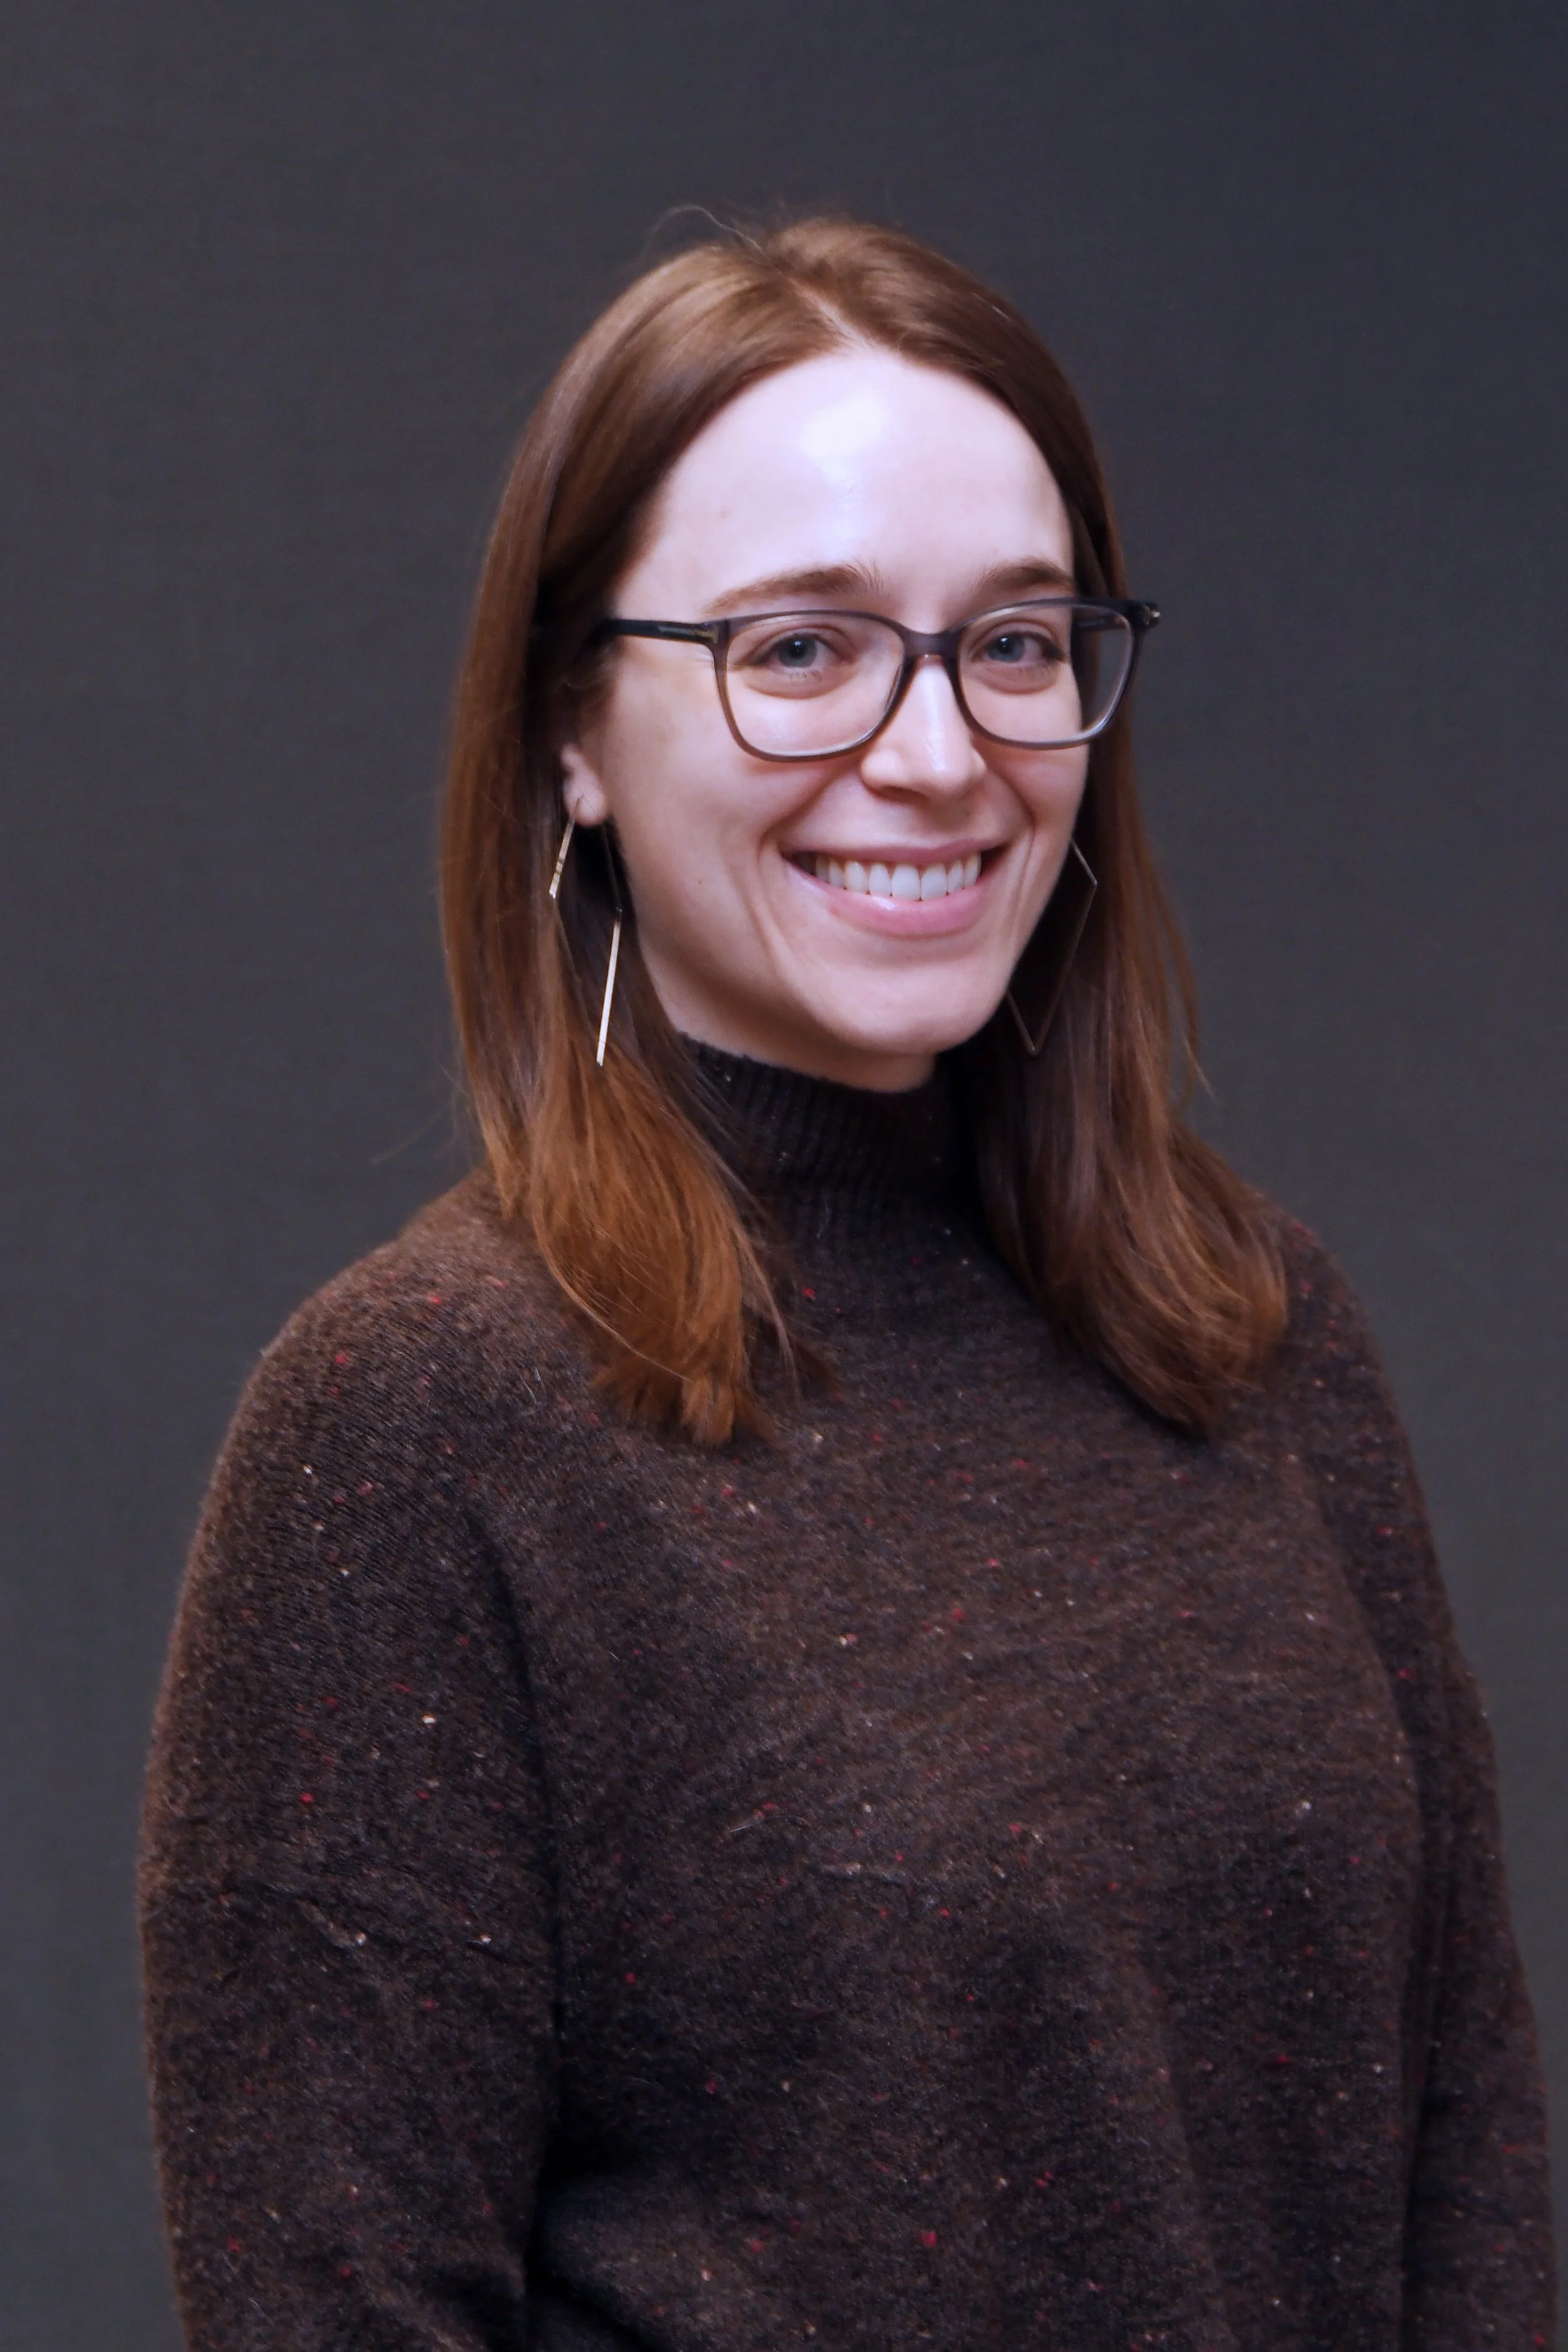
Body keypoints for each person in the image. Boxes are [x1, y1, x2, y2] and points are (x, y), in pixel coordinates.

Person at [140, 218, 1554, 2351]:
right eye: (800, 648)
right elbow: (336, 2303)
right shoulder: (418, 1419)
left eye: (1014, 641)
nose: (937, 750)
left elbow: (1468, 2167)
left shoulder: (1260, 1329)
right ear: (573, 731)